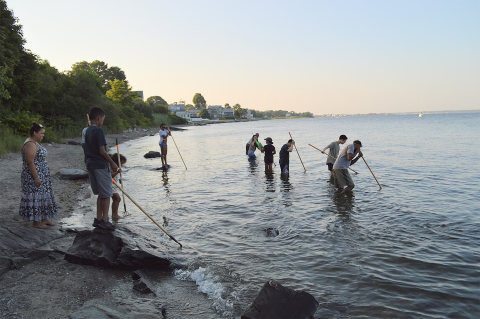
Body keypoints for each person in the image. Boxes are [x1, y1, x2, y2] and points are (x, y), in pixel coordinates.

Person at [84, 107, 120, 231]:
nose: (102, 122)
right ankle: (105, 220)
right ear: (99, 118)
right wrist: (112, 163)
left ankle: (98, 219)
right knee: (106, 194)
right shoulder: (99, 131)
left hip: (91, 164)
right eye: (103, 119)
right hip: (100, 165)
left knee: (100, 193)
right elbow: (102, 151)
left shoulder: (87, 131)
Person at [19, 122, 59, 229]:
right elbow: (30, 162)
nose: (43, 135)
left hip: (42, 174)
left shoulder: (34, 142)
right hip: (33, 175)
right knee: (36, 196)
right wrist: (36, 177)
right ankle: (36, 222)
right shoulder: (30, 144)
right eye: (41, 133)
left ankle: (44, 218)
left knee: (44, 195)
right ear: (35, 133)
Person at [109, 153, 127, 220]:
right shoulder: (112, 167)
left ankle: (114, 214)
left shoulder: (116, 167)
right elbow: (110, 176)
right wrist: (117, 172)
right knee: (117, 199)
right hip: (111, 185)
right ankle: (115, 214)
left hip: (114, 186)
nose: (121, 165)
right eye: (121, 163)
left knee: (116, 199)